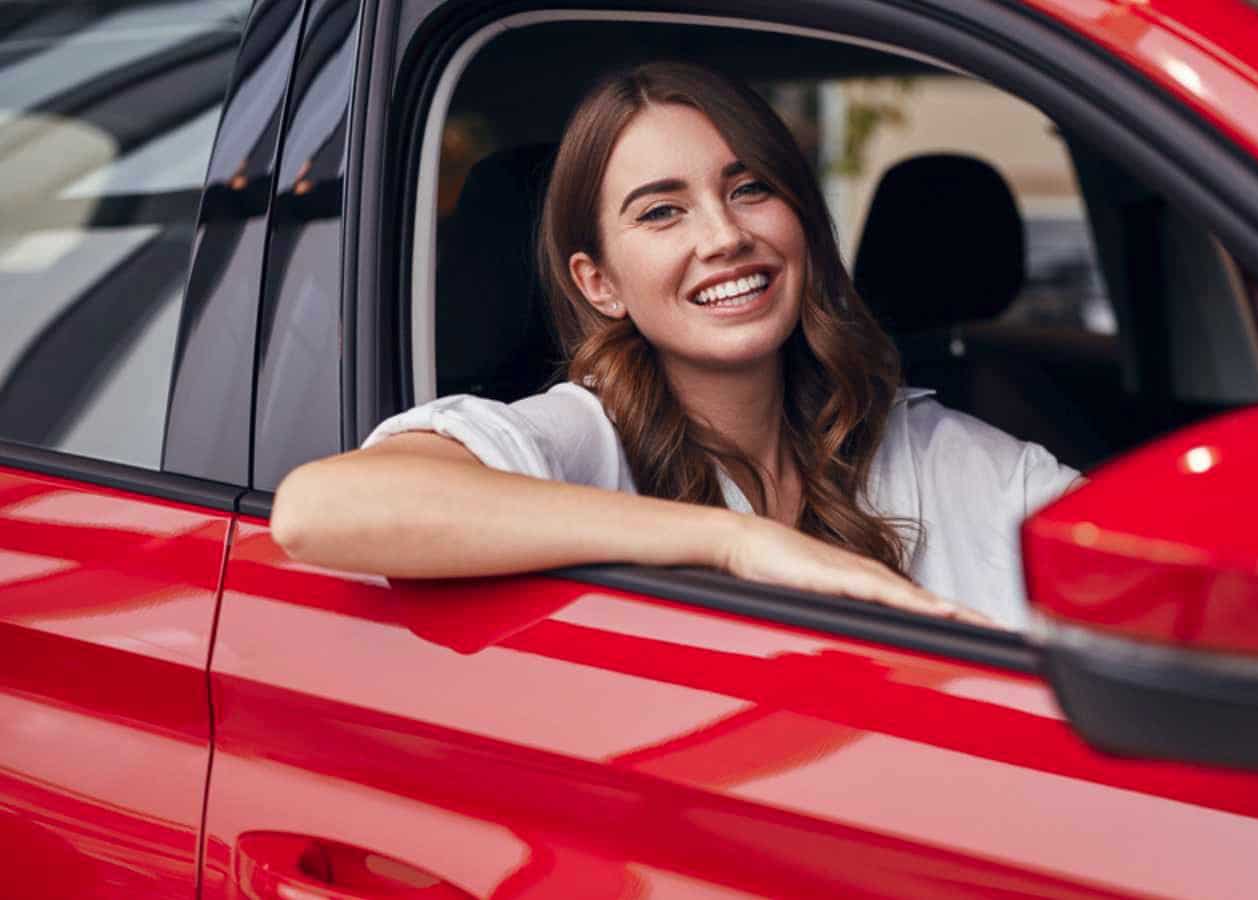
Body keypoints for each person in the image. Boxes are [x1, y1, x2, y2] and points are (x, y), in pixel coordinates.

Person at [270, 62, 1079, 629]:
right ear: (600, 284)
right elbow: (319, 510)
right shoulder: (581, 436)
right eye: (662, 212)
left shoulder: (927, 449)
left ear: (800, 217)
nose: (726, 236)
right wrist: (737, 544)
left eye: (750, 188)